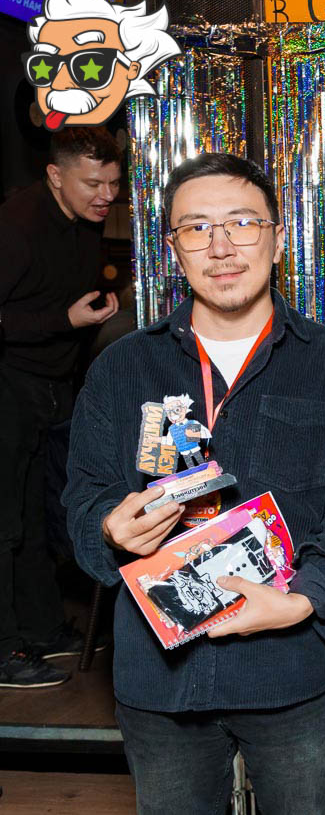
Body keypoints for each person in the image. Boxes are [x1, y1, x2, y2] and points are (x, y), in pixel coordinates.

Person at [63, 152, 325, 814]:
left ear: (277, 237)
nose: (220, 246)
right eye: (196, 228)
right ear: (173, 248)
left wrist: (305, 600)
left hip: (292, 673)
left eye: (241, 222)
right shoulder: (122, 367)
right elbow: (83, 494)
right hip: (162, 680)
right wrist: (108, 527)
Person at [0, 126, 122, 688]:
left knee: (37, 517)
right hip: (8, 385)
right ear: (55, 175)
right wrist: (62, 321)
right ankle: (4, 648)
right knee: (5, 521)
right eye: (93, 183)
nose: (106, 195)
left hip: (50, 386)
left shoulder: (84, 222)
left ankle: (42, 630)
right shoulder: (16, 224)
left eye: (113, 183)